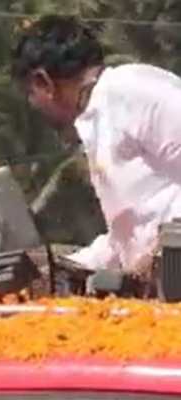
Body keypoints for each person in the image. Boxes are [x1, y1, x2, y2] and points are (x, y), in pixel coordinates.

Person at [13, 15, 181, 279]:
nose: (34, 107)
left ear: (43, 82)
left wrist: (163, 250)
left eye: (30, 95)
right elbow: (125, 241)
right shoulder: (97, 119)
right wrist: (58, 268)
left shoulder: (135, 90)